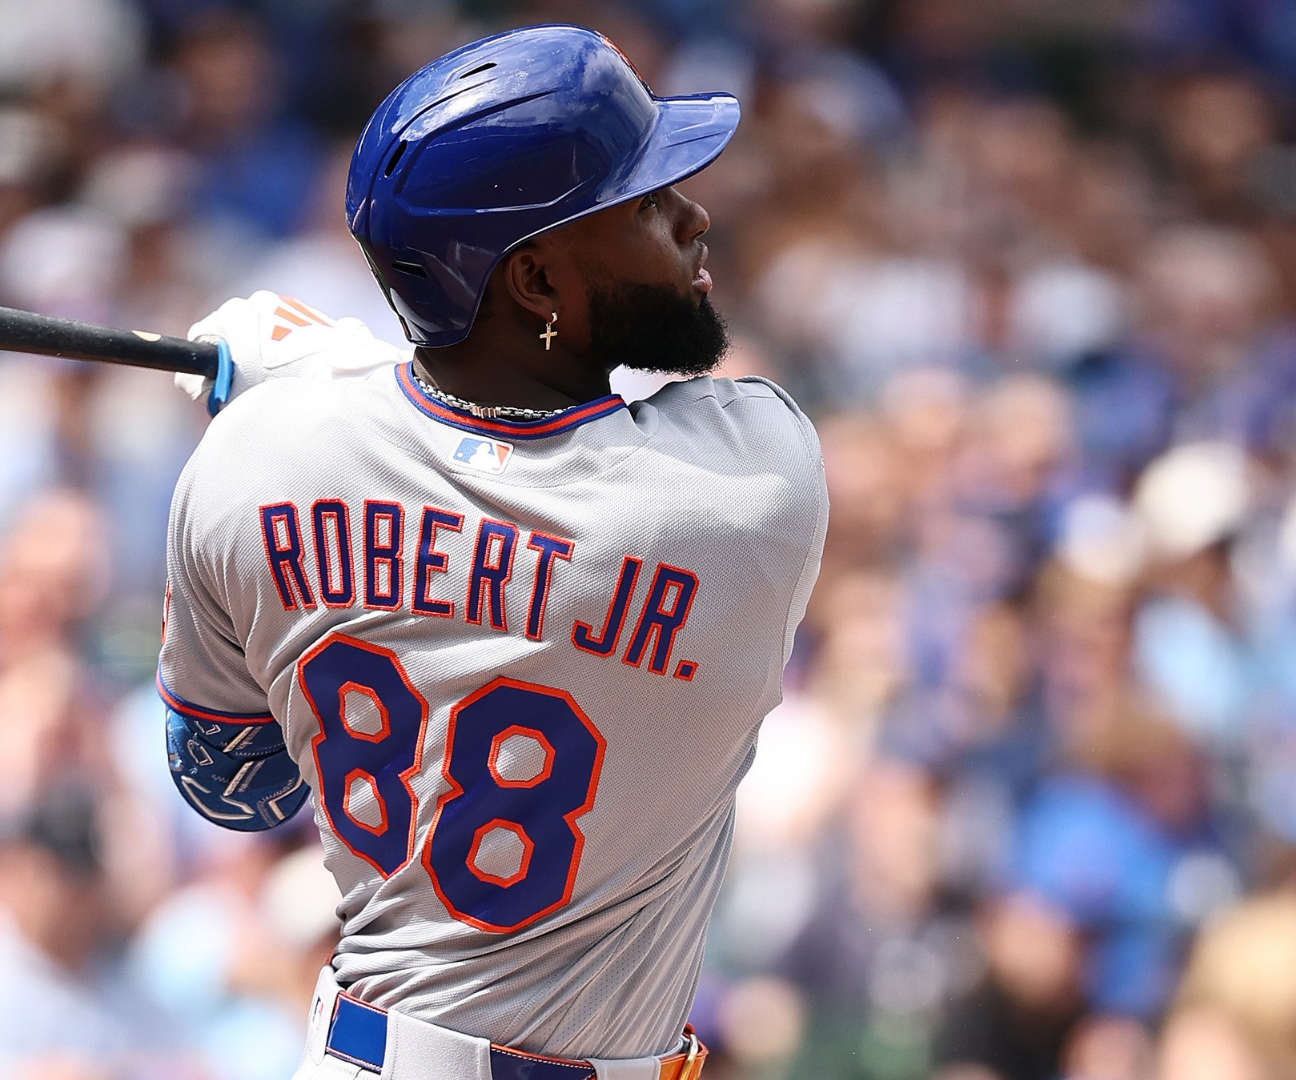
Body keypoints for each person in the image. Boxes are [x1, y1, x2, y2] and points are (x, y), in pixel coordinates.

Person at [156, 24, 827, 1080]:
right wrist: (333, 368)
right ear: (537, 284)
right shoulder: (754, 487)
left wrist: (309, 401)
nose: (696, 220)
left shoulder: (257, 456)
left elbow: (234, 791)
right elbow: (535, 455)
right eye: (648, 207)